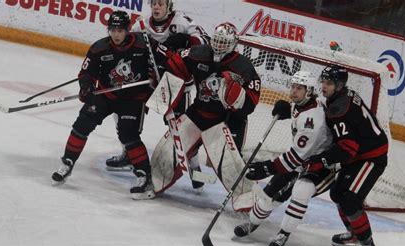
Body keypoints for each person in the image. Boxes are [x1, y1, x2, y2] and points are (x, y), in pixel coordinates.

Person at [51, 10, 164, 200]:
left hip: (133, 98)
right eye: (113, 30)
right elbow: (87, 73)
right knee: (82, 124)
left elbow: (163, 61)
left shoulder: (144, 43)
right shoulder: (99, 48)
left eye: (120, 30)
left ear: (128, 29)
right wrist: (86, 87)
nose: (116, 34)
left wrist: (157, 76)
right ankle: (68, 162)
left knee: (128, 134)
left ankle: (144, 175)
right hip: (106, 94)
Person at [151, 22, 261, 206]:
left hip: (227, 120)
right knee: (165, 152)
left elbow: (251, 103)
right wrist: (167, 98)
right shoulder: (198, 53)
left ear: (233, 44)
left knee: (231, 168)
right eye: (216, 41)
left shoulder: (243, 66)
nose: (219, 45)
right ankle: (155, 182)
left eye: (224, 42)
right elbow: (175, 67)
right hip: (198, 112)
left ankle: (249, 203)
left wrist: (236, 94)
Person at [105, 0, 210, 177]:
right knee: (122, 114)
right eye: (153, 3)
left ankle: (194, 166)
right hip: (147, 82)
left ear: (168, 6)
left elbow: (205, 42)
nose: (156, 7)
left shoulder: (182, 22)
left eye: (160, 4)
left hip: (175, 84)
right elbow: (126, 46)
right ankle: (129, 153)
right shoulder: (141, 24)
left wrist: (186, 39)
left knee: (182, 126)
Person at [234, 71, 334, 246]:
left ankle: (283, 234)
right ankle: (253, 222)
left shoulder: (312, 120)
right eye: (293, 87)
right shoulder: (305, 103)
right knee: (267, 195)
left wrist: (267, 167)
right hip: (301, 157)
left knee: (299, 194)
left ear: (309, 91)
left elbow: (296, 157)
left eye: (299, 88)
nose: (294, 91)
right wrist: (287, 110)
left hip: (316, 164)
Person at [305, 65, 388, 246]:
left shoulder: (339, 110)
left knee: (350, 200)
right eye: (323, 82)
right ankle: (354, 234)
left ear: (340, 85)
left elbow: (347, 149)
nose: (323, 86)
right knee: (337, 193)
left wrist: (322, 160)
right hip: (360, 153)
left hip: (372, 157)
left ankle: (367, 243)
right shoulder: (344, 96)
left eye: (329, 83)